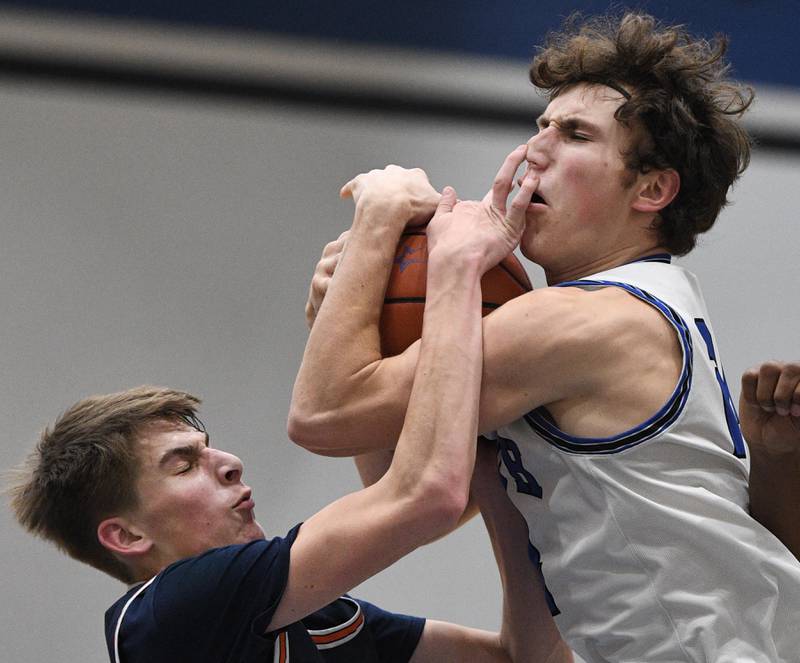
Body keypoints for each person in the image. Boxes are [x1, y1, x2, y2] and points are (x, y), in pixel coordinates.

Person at [289, 12, 800, 662]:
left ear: (652, 188)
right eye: (541, 126)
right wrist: (344, 309)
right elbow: (404, 477)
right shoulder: (605, 308)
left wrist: (379, 219)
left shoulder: (587, 321)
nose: (535, 150)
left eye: (574, 134)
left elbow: (323, 414)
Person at [8, 186, 573, 663]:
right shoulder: (168, 612)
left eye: (207, 449)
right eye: (184, 466)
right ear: (127, 536)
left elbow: (523, 658)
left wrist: (503, 481)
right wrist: (440, 263)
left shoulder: (306, 615)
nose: (229, 462)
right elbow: (422, 494)